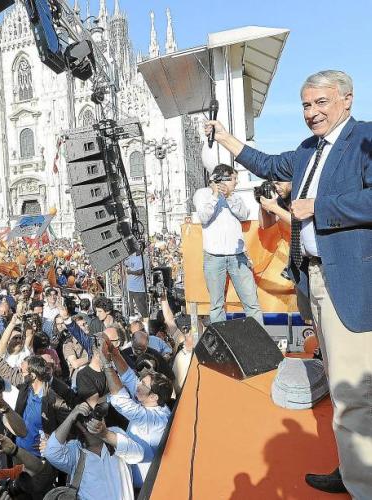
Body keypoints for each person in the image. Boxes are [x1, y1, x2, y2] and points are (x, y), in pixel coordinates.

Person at [206, 69, 372, 497]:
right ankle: (352, 468)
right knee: (338, 381)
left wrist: (318, 206)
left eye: (321, 102)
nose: (311, 112)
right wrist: (225, 138)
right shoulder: (306, 150)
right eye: (306, 104)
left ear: (347, 100)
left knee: (353, 391)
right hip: (313, 279)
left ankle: (363, 485)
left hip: (348, 280)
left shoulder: (365, 139)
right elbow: (265, 163)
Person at [192, 163, 264, 326]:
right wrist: (215, 195)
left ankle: (258, 338)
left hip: (238, 256)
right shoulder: (202, 194)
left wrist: (229, 196)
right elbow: (203, 217)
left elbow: (244, 215)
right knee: (217, 306)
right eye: (233, 179)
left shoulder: (235, 196)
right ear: (222, 179)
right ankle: (222, 338)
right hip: (214, 257)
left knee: (252, 303)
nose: (236, 182)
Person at [101, 336, 172, 492]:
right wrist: (113, 350)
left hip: (145, 488)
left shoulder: (155, 419)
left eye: (143, 384)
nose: (138, 385)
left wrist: (107, 364)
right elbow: (129, 377)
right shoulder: (153, 401)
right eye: (141, 381)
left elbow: (121, 401)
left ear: (154, 397)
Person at [43, 402, 138, 500]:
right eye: (88, 418)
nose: (95, 421)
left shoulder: (115, 434)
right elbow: (51, 452)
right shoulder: (75, 451)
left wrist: (105, 434)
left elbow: (138, 455)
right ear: (79, 425)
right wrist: (71, 417)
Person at [258, 181, 315, 324]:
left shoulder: (304, 192)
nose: (276, 188)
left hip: (316, 258)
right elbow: (265, 224)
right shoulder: (282, 199)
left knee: (322, 310)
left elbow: (300, 222)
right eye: (274, 184)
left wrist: (274, 208)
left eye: (279, 183)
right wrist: (263, 203)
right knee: (308, 313)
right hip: (299, 261)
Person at [125, 251, 148, 318]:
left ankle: (145, 322)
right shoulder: (132, 257)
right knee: (132, 312)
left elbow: (140, 272)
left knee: (142, 310)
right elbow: (126, 263)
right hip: (130, 288)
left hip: (139, 289)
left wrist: (130, 272)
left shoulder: (144, 258)